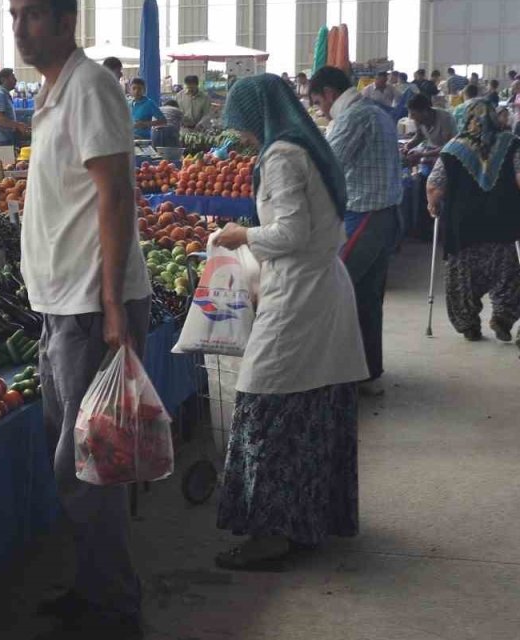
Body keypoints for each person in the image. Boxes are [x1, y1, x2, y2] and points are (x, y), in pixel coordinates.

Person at [12, 0, 151, 632]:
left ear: (66, 22)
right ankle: (94, 587)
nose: (19, 28)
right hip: (61, 304)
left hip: (90, 307)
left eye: (33, 16)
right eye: (13, 15)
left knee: (90, 466)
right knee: (75, 461)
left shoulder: (90, 87)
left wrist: (113, 303)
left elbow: (115, 194)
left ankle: (114, 608)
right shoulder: (53, 94)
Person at [210, 73, 368, 570]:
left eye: (242, 123)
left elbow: (291, 232)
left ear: (259, 114)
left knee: (265, 403)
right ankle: (308, 519)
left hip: (301, 294)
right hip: (320, 287)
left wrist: (242, 235)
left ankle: (271, 534)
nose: (241, 135)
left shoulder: (281, 155)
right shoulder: (306, 145)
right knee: (311, 405)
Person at [311, 66, 401, 396]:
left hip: (364, 216)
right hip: (385, 215)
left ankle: (329, 379)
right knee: (365, 297)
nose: (321, 111)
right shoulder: (376, 112)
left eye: (318, 102)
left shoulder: (352, 118)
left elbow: (326, 168)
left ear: (329, 93)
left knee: (329, 291)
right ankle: (367, 373)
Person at [425, 99, 520, 343]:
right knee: (510, 273)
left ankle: (468, 324)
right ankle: (502, 318)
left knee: (462, 278)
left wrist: (433, 204)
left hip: (464, 227)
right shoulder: (512, 144)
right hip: (506, 223)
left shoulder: (453, 148)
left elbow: (435, 185)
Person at [0, 68, 27, 147]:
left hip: (4, 139)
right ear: (3, 79)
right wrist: (17, 125)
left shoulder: (5, 95)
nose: (15, 80)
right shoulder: (0, 95)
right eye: (12, 77)